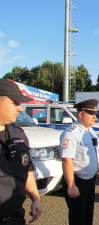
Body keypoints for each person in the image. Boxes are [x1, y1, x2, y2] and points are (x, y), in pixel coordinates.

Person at [0, 79, 42, 224]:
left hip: (16, 217)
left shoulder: (18, 134)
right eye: (15, 103)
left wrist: (35, 197)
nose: (20, 108)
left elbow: (25, 168)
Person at [60, 99, 99, 225]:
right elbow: (66, 160)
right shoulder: (71, 133)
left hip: (90, 180)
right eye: (91, 114)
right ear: (80, 114)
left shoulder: (90, 131)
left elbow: (96, 151)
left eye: (95, 114)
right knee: (78, 218)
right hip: (78, 181)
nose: (94, 116)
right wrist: (71, 186)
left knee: (88, 214)